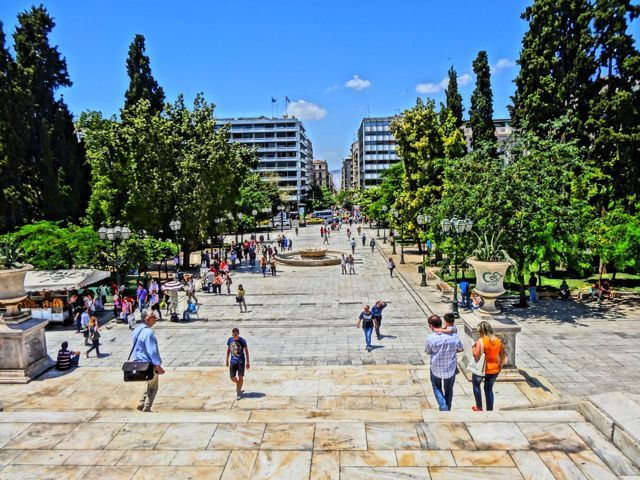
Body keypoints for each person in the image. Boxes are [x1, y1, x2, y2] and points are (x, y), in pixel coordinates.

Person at [424, 314, 463, 411]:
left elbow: (428, 351)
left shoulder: (430, 338)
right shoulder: (453, 336)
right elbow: (460, 348)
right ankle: (447, 407)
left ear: (430, 325)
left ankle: (443, 406)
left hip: (436, 368)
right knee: (449, 388)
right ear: (441, 323)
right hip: (450, 369)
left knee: (436, 386)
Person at [131, 310, 164, 412]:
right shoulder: (149, 333)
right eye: (153, 316)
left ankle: (141, 402)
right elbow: (152, 351)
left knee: (148, 382)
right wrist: (158, 366)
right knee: (153, 386)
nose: (155, 318)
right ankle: (147, 407)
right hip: (149, 364)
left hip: (138, 363)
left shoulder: (137, 330)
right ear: (148, 319)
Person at [471, 321, 506, 412]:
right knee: (489, 389)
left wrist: (473, 347)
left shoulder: (480, 341)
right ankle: (490, 410)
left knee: (476, 385)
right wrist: (500, 367)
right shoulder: (498, 341)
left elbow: (476, 356)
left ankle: (479, 407)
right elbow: (502, 356)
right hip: (494, 369)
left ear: (482, 331)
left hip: (481, 369)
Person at [226, 327, 250, 400]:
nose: (234, 335)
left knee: (240, 377)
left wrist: (248, 362)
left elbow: (246, 351)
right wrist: (226, 360)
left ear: (238, 334)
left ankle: (238, 392)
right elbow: (228, 350)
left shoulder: (242, 340)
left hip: (241, 361)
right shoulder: (230, 340)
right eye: (233, 334)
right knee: (232, 377)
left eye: (236, 334)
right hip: (233, 361)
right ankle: (238, 384)